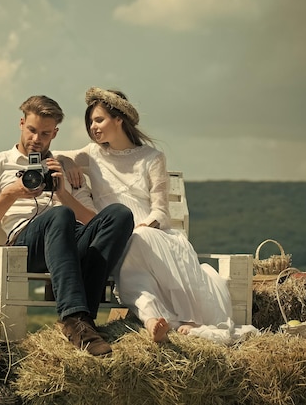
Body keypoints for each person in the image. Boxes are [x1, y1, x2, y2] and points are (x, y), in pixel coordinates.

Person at [60, 87, 241, 344]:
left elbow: (161, 211)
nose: (93, 127)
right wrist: (68, 163)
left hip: (150, 232)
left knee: (143, 242)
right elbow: (55, 157)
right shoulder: (92, 154)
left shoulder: (152, 158)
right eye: (90, 122)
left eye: (98, 119)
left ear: (119, 119)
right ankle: (158, 320)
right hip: (116, 237)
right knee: (133, 249)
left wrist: (144, 226)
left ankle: (169, 318)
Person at [0, 95, 134, 356]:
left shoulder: (64, 168)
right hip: (25, 247)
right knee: (60, 216)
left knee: (119, 215)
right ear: (21, 124)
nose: (37, 139)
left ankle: (83, 321)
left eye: (45, 134)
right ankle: (74, 318)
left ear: (55, 133)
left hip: (68, 241)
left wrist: (63, 193)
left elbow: (95, 225)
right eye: (32, 130)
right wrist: (11, 194)